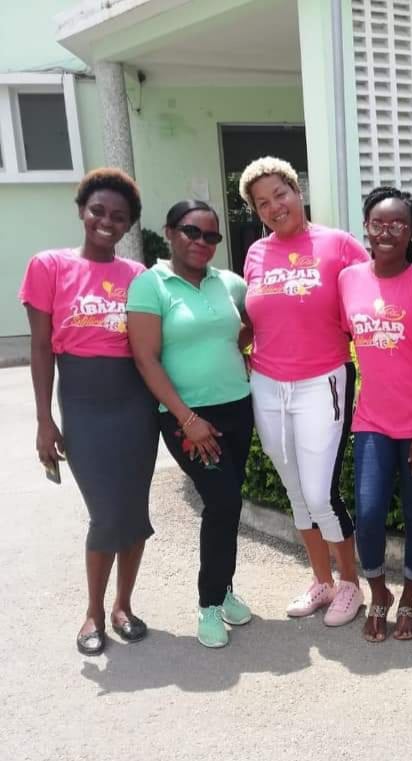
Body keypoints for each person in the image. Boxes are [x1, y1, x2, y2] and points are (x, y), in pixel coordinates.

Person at [19, 168, 159, 656]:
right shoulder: (49, 266)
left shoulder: (137, 276)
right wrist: (43, 419)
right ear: (82, 211)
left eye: (118, 217)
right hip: (82, 405)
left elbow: (148, 349)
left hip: (134, 406)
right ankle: (93, 612)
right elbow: (40, 349)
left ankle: (123, 605)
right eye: (98, 210)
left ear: (128, 226)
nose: (106, 221)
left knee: (134, 511)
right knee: (105, 513)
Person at [240, 156, 368, 626]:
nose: (275, 207)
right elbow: (251, 320)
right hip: (268, 384)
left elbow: (370, 303)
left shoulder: (338, 245)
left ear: (298, 191)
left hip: (322, 381)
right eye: (263, 203)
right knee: (294, 489)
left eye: (281, 194)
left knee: (319, 492)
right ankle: (322, 581)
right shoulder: (256, 254)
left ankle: (350, 584)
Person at [127, 200, 254, 649]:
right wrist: (186, 417)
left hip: (239, 407)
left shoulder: (228, 283)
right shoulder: (151, 284)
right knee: (220, 504)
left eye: (211, 236)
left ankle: (225, 589)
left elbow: (246, 325)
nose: (201, 242)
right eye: (190, 232)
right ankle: (208, 605)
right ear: (169, 232)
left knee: (230, 503)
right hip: (190, 418)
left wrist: (240, 354)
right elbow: (145, 357)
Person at [339, 187, 412, 642]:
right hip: (372, 423)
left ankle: (410, 600)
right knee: (368, 512)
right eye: (379, 223)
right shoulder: (349, 280)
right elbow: (337, 338)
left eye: (398, 225)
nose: (387, 232)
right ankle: (379, 592)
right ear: (366, 226)